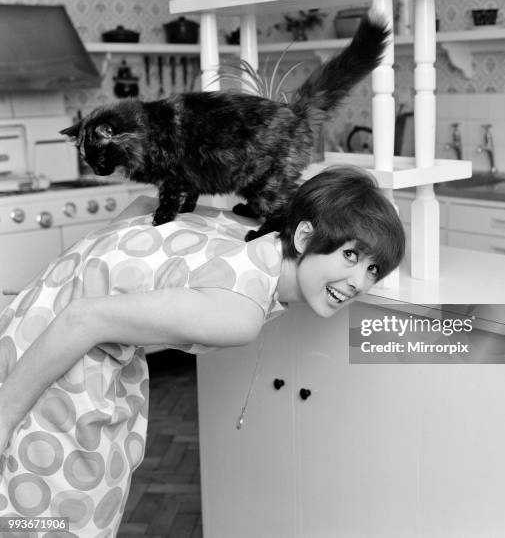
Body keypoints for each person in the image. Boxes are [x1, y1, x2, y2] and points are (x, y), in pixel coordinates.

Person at [0, 165, 404, 536]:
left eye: (373, 269)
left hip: (31, 324)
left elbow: (141, 207)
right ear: (303, 237)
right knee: (63, 522)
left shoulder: (249, 230)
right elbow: (84, 318)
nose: (357, 283)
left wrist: (77, 278)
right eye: (349, 255)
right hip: (56, 364)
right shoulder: (238, 311)